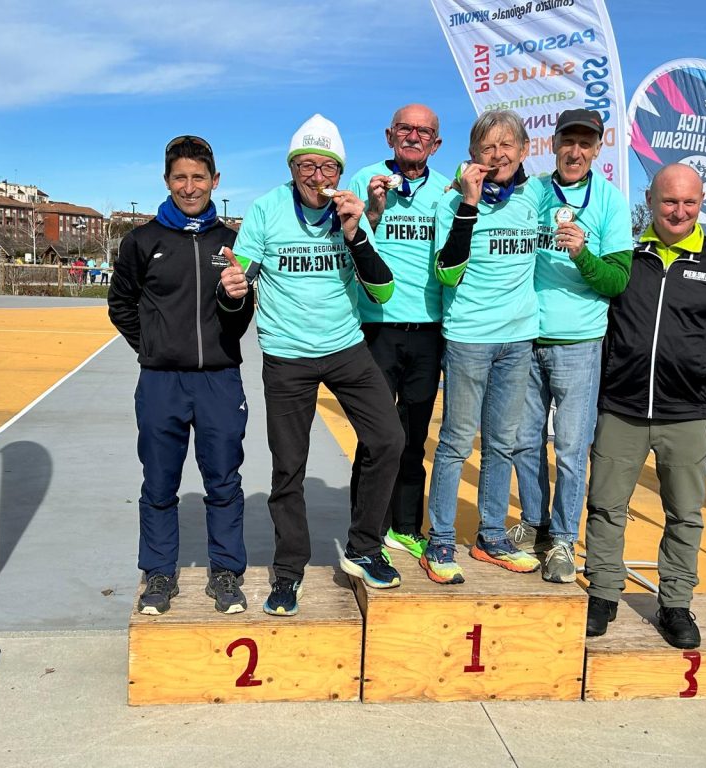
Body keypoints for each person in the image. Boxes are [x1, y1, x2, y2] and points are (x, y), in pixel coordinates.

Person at [220, 114, 405, 616]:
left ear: (339, 171)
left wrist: (356, 234)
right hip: (287, 354)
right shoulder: (267, 209)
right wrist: (232, 289)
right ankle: (289, 571)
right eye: (306, 165)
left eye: (327, 166)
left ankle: (364, 548)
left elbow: (383, 291)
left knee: (388, 439)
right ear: (292, 168)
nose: (317, 175)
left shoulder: (350, 210)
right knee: (289, 468)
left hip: (346, 348)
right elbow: (241, 278)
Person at [583, 163, 706, 649]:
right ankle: (602, 594)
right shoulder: (626, 258)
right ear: (650, 200)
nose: (679, 211)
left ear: (701, 203)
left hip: (686, 412)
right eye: (669, 201)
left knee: (684, 513)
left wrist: (702, 363)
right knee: (605, 506)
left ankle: (676, 604)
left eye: (689, 202)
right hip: (621, 407)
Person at [109, 134, 254, 616]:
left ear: (215, 181)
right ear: (166, 180)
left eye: (198, 177)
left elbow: (241, 317)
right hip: (161, 383)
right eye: (180, 178)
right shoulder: (141, 241)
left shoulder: (232, 244)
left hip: (219, 380)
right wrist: (153, 348)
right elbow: (120, 305)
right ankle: (158, 573)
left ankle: (226, 572)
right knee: (158, 483)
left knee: (224, 481)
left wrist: (235, 300)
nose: (189, 187)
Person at [508, 109, 633, 583]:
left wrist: (582, 253)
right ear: (553, 143)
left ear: (598, 149)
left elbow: (617, 281)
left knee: (571, 448)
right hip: (525, 335)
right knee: (524, 441)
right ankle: (535, 524)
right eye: (568, 141)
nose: (575, 152)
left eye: (585, 143)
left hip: (579, 342)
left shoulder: (610, 201)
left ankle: (562, 538)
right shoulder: (534, 191)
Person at [420, 110, 541, 585]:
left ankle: (491, 536)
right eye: (487, 147)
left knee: (502, 444)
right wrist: (469, 202)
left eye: (507, 145)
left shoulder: (534, 198)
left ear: (524, 150)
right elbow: (447, 273)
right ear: (473, 155)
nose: (498, 154)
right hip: (469, 337)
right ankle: (440, 539)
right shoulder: (451, 203)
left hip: (518, 337)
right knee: (454, 442)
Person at [347, 104, 449, 560]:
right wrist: (373, 211)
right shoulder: (364, 179)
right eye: (405, 128)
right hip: (376, 327)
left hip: (428, 329)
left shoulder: (445, 189)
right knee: (374, 437)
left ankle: (406, 526)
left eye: (423, 132)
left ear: (436, 144)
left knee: (413, 435)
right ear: (389, 135)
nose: (413, 136)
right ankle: (366, 533)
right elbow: (345, 242)